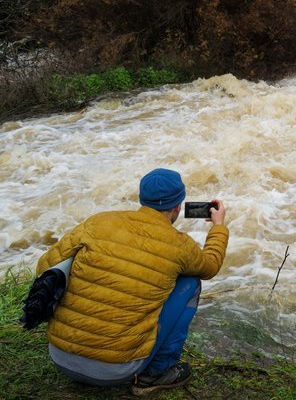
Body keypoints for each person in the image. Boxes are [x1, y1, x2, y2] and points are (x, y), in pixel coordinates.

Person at [35, 168, 229, 396]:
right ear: (178, 206)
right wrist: (218, 227)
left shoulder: (99, 222)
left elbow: (44, 268)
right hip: (116, 370)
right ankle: (157, 372)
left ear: (142, 199)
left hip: (60, 355)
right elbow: (211, 266)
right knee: (190, 281)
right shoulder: (180, 245)